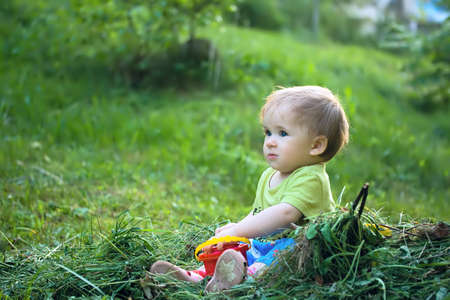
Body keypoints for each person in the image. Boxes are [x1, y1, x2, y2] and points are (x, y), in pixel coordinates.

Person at [150, 86, 349, 292]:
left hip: (302, 252)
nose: (270, 142)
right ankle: (200, 276)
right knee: (237, 251)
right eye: (267, 132)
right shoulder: (269, 175)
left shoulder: (312, 178)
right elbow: (258, 214)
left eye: (282, 133)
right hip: (265, 244)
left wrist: (239, 230)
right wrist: (235, 232)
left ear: (316, 145)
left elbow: (285, 213)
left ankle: (242, 283)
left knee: (278, 258)